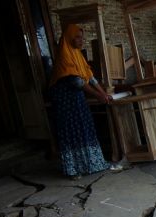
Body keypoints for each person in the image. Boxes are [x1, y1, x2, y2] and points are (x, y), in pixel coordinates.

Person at [49, 24, 115, 179]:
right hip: (65, 101)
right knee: (72, 131)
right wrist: (98, 96)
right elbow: (76, 81)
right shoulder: (64, 55)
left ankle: (92, 164)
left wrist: (103, 93)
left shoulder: (77, 54)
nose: (81, 41)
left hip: (77, 99)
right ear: (69, 38)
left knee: (85, 127)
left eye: (82, 37)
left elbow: (89, 76)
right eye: (77, 37)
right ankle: (74, 170)